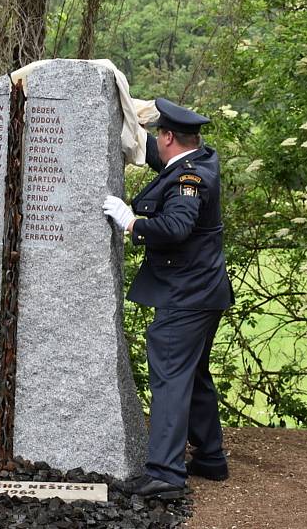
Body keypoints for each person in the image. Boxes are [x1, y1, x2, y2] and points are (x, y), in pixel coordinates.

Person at [102, 98, 234, 498]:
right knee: (193, 375)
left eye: (159, 135)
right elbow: (168, 165)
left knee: (171, 376)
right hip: (205, 291)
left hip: (187, 296)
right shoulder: (199, 160)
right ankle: (210, 458)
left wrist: (131, 222)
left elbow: (176, 226)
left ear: (170, 137)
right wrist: (126, 114)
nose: (155, 143)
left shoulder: (187, 181)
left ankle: (165, 473)